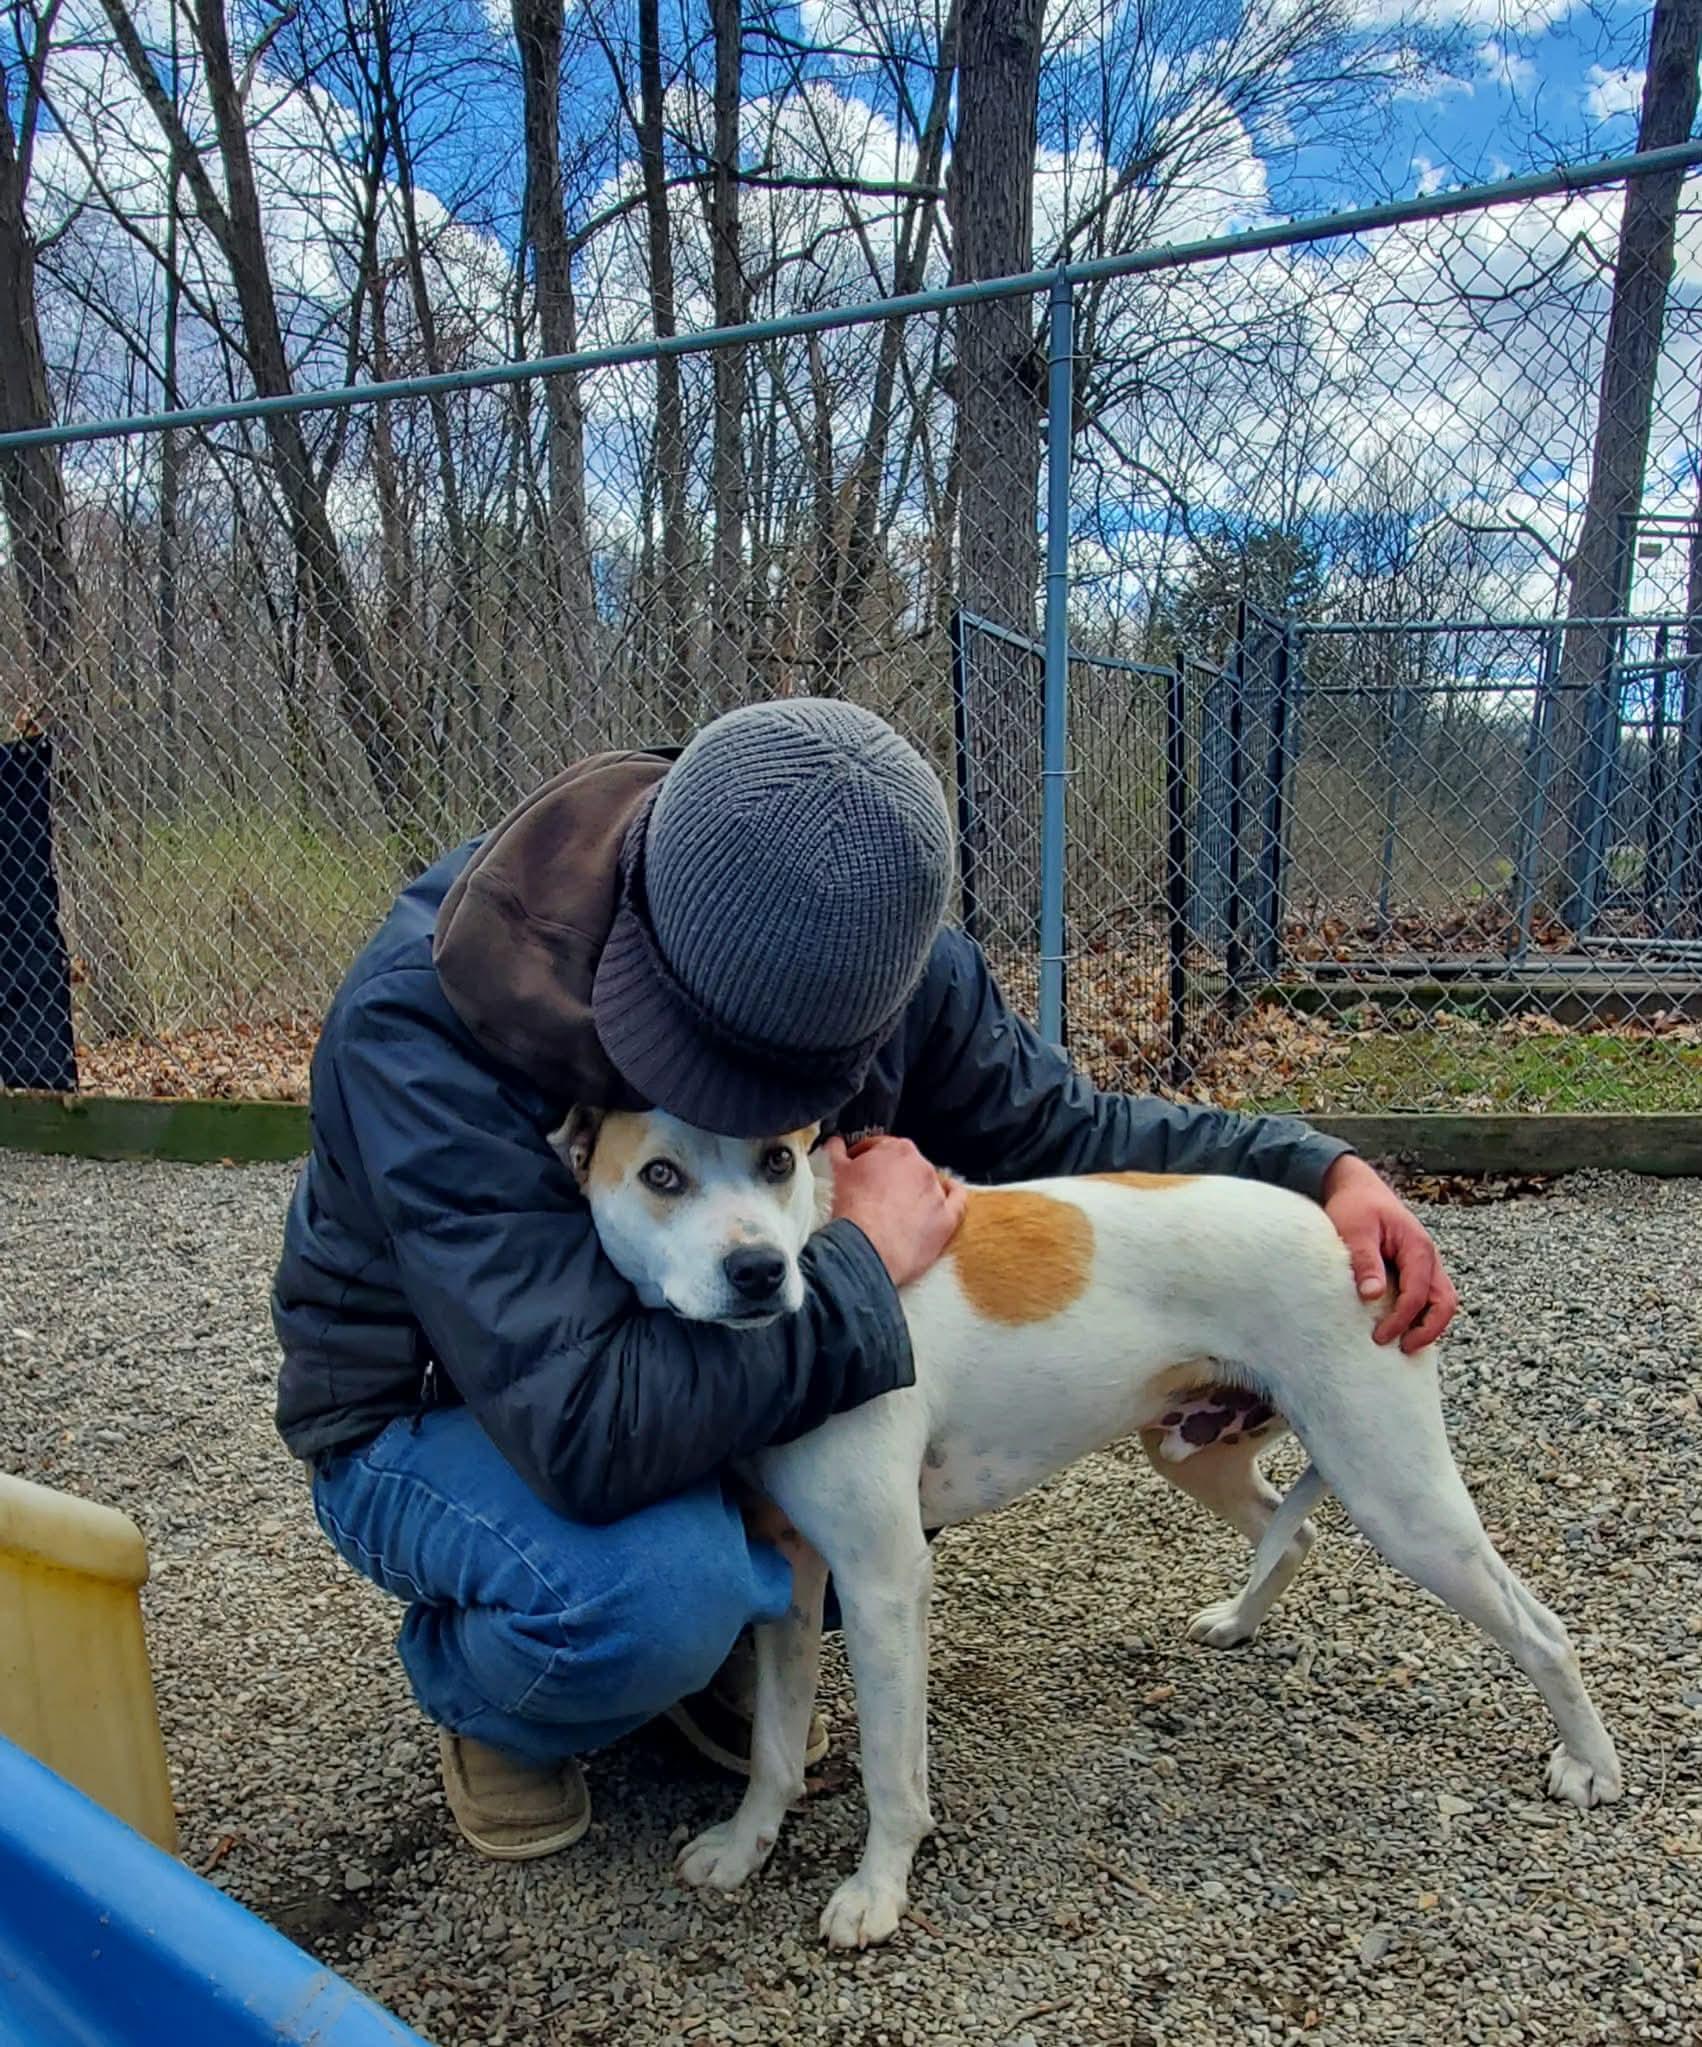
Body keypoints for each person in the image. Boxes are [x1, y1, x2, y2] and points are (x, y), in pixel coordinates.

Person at [272, 699, 1457, 1860]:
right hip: (438, 1408)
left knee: (841, 1489)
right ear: (648, 954)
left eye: (786, 1115)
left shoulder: (863, 935)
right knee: (650, 1587)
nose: (759, 1137)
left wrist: (1316, 1168)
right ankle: (496, 1699)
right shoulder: (424, 1024)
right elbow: (579, 1426)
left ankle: (716, 1636)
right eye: (714, 1077)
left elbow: (1059, 1127)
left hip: (660, 1365)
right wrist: (863, 1261)